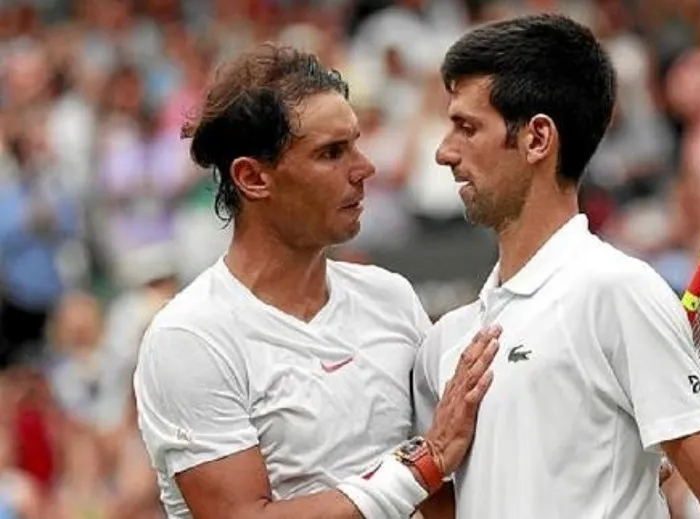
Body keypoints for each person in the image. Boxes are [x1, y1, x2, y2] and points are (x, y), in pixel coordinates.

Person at [411, 13, 700, 519]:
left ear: (537, 139)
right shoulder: (446, 342)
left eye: (467, 127)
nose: (445, 152)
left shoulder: (616, 291)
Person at [132, 43, 500, 519]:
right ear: (253, 178)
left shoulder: (390, 297)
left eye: (356, 143)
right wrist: (420, 467)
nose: (364, 169)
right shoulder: (189, 337)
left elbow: (443, 496)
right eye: (331, 153)